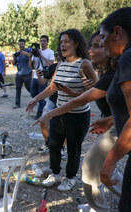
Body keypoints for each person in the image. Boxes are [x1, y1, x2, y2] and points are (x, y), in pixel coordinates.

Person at [35, 31, 122, 212]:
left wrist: (49, 113)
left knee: (87, 160)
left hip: (82, 117)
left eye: (99, 45)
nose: (92, 50)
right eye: (61, 42)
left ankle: (76, 183)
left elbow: (84, 98)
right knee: (55, 144)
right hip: (111, 122)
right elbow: (98, 94)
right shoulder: (63, 65)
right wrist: (109, 119)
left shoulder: (93, 66)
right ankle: (95, 203)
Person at [26, 29, 98, 191]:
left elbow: (96, 91)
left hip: (78, 116)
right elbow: (52, 87)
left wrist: (73, 93)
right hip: (59, 113)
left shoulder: (84, 64)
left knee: (73, 148)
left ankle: (70, 177)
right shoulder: (60, 63)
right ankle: (56, 172)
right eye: (61, 42)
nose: (63, 45)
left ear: (76, 44)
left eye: (67, 41)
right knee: (53, 143)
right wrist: (35, 99)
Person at [98, 7, 131, 212]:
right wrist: (112, 119)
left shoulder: (128, 58)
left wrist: (109, 161)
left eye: (103, 36)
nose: (101, 42)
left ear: (117, 32)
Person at [29, 35, 55, 120]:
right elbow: (31, 66)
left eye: (44, 41)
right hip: (35, 76)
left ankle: (39, 113)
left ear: (47, 42)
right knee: (33, 94)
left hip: (44, 77)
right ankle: (43, 103)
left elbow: (51, 65)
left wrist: (41, 56)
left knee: (41, 95)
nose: (42, 42)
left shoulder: (50, 52)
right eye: (41, 41)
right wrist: (30, 56)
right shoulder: (36, 52)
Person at [12, 39, 32, 109]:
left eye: (22, 44)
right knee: (18, 89)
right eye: (19, 44)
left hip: (27, 73)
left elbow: (31, 57)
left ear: (24, 44)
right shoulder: (17, 53)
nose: (21, 45)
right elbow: (14, 63)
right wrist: (14, 57)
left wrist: (26, 54)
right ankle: (17, 104)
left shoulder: (28, 51)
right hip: (19, 74)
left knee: (29, 88)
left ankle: (37, 99)